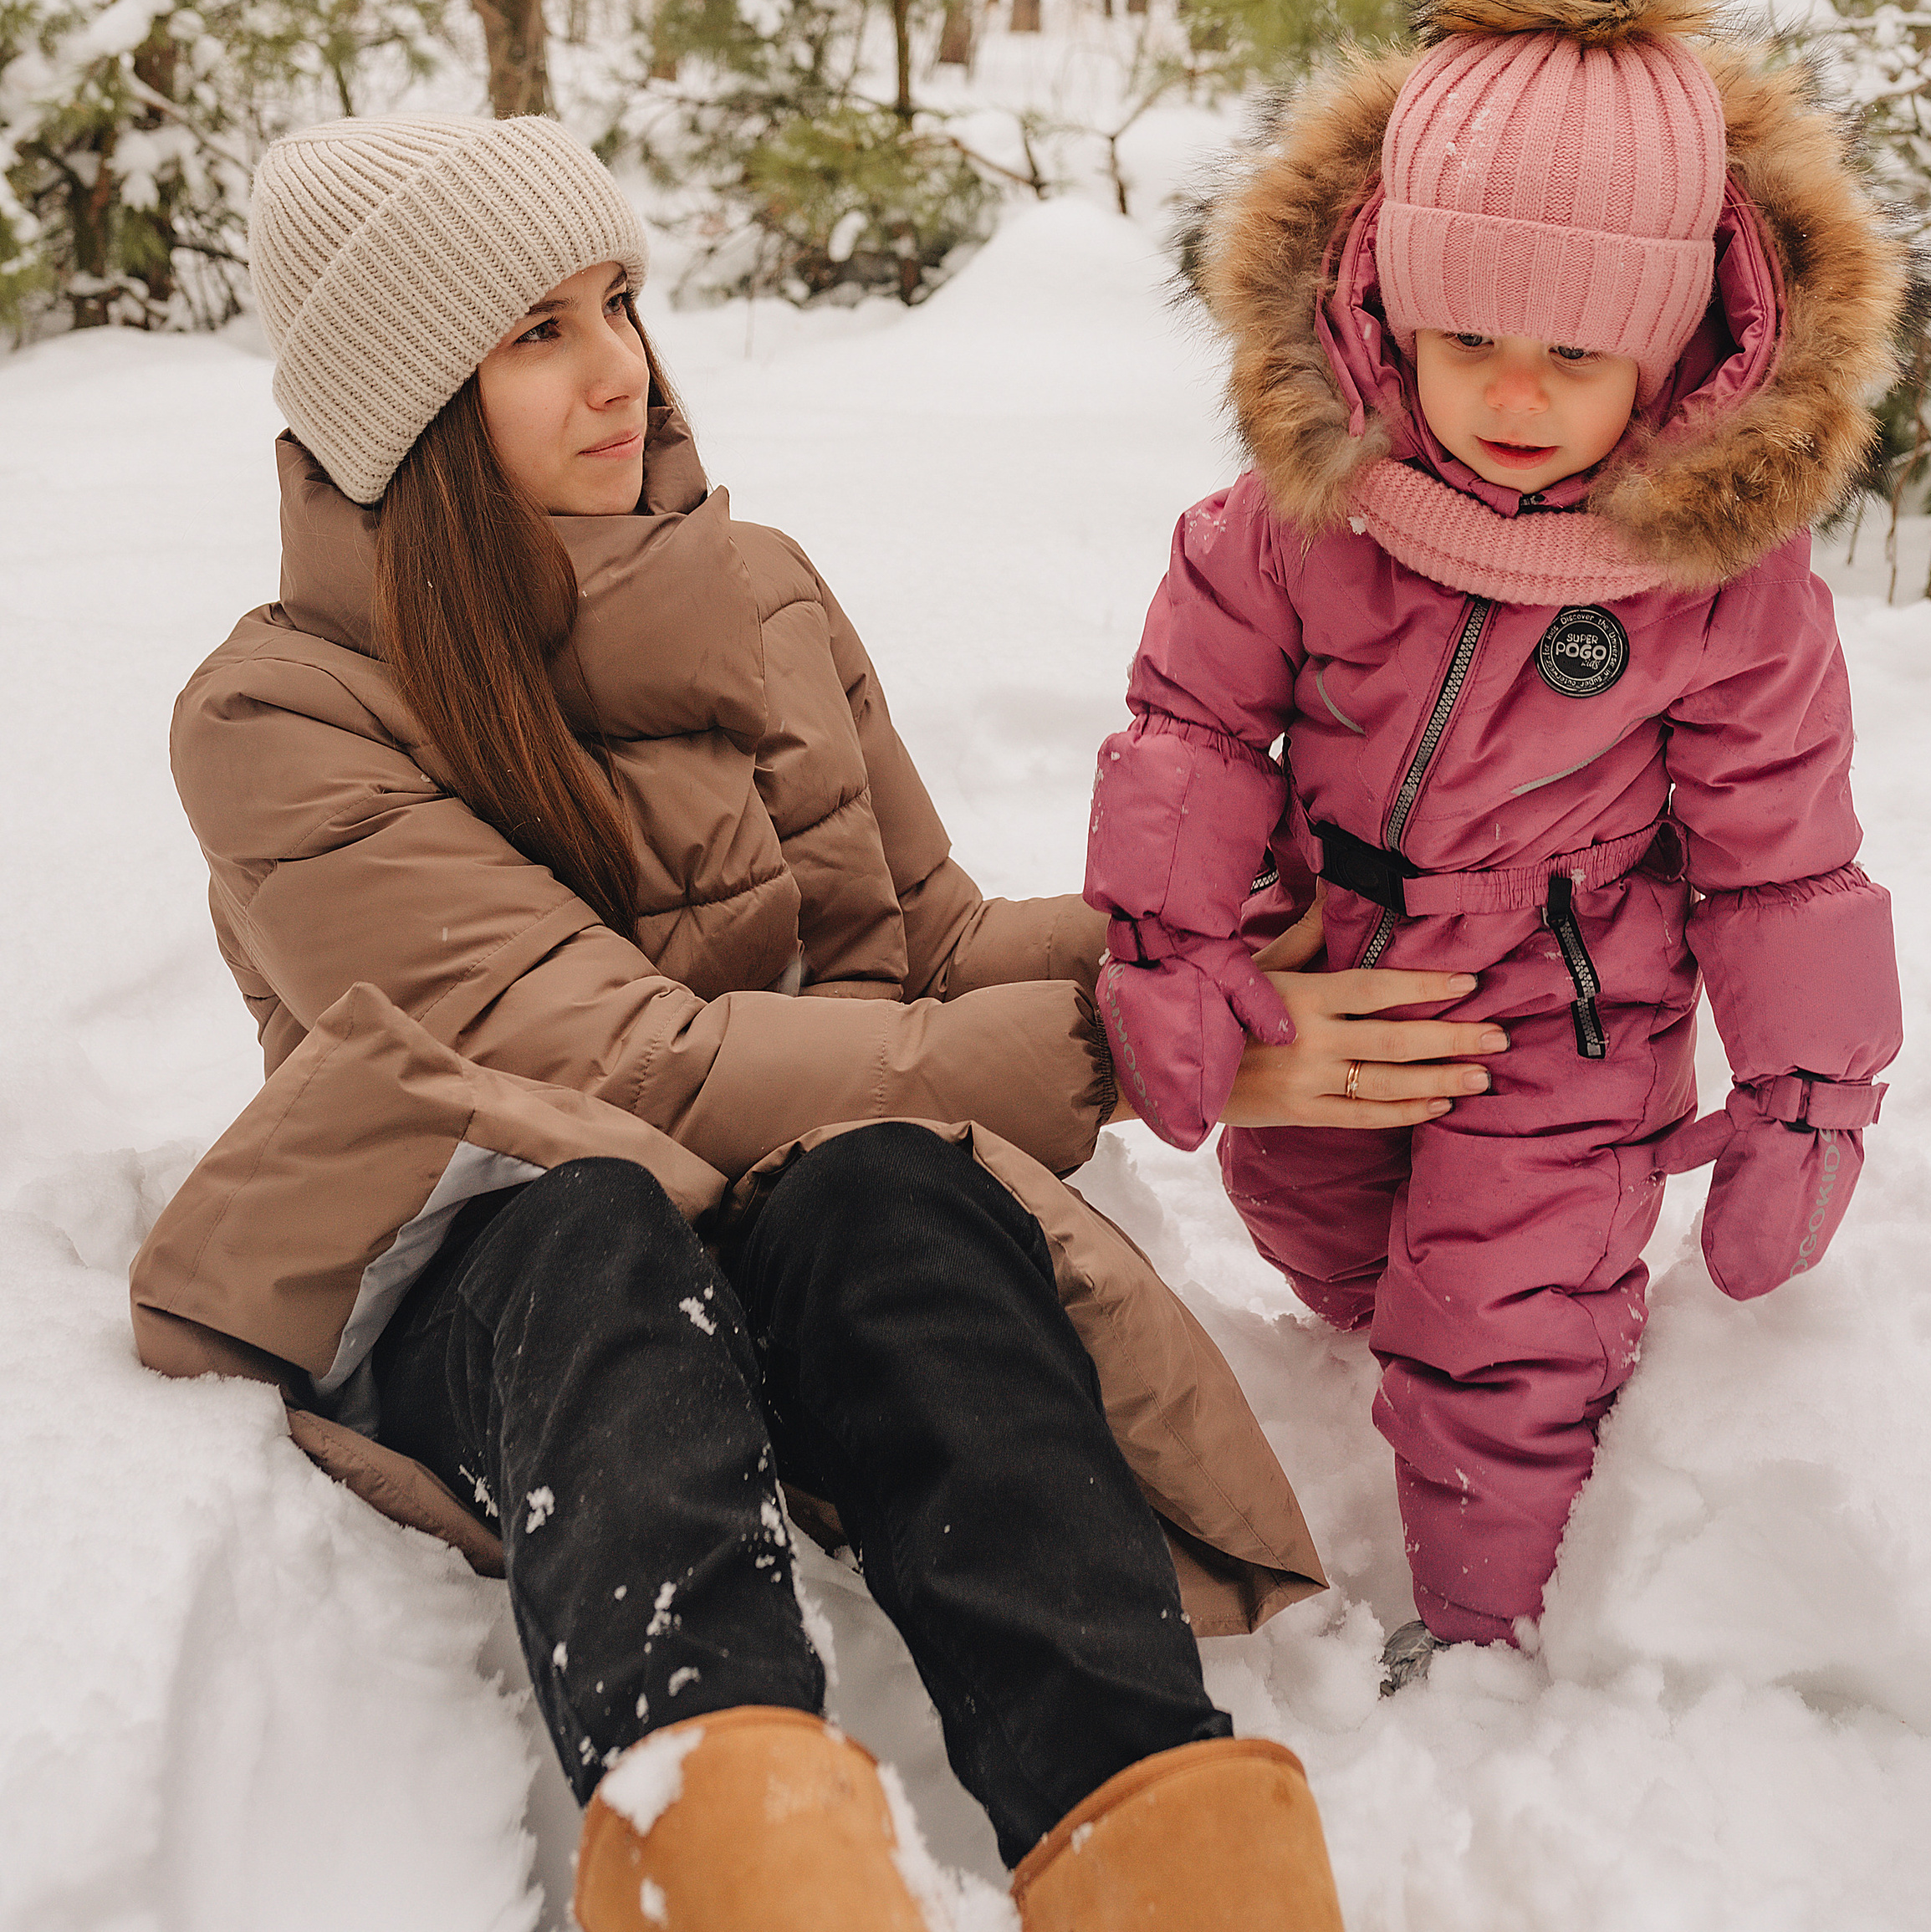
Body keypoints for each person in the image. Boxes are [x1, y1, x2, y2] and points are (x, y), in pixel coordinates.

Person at [129, 112, 1372, 1932]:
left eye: (617, 300)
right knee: (598, 1223)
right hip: (485, 1251)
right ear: (404, 400)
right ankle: (751, 1877)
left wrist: (1184, 945)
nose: (618, 365)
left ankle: (1171, 1858)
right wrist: (1122, 1043)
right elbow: (623, 1066)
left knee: (898, 1192)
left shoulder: (761, 588)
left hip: (791, 1194)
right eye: (533, 330)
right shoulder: (276, 716)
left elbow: (925, 941)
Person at [1084, 0, 1908, 1675]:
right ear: (1384, 301)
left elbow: (1784, 855)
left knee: (1503, 1310)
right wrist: (1176, 950)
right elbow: (1192, 728)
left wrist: (1804, 1086)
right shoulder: (1308, 504)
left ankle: (1480, 1615)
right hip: (1332, 965)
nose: (1510, 395)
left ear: (1680, 342)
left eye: (1571, 351)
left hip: (1566, 1005)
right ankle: (1369, 1345)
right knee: (1310, 1216)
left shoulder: (1712, 575)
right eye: (1465, 336)